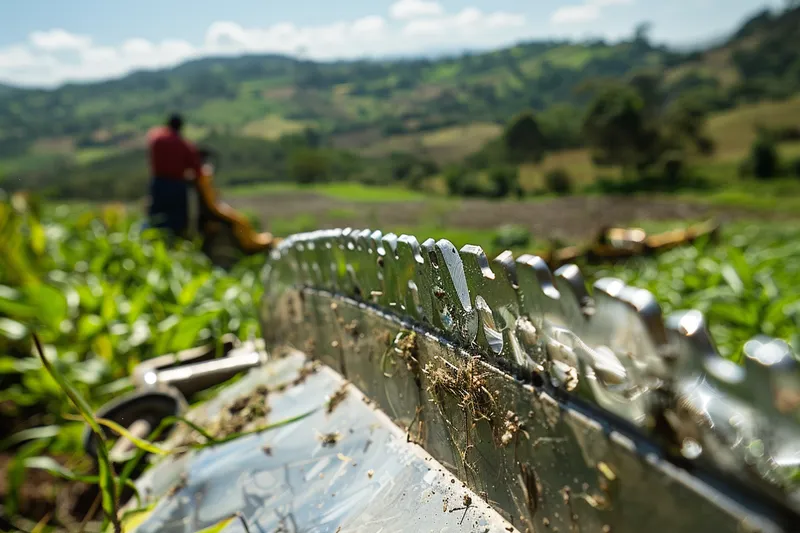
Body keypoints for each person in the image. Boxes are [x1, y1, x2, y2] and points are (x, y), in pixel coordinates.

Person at [146, 113, 204, 236]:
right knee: (177, 218)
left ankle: (155, 242)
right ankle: (175, 243)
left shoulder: (157, 139)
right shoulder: (183, 144)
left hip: (158, 183)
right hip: (176, 186)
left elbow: (151, 136)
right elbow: (196, 168)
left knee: (157, 215)